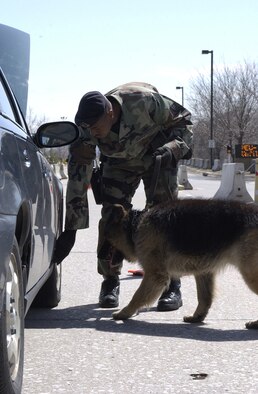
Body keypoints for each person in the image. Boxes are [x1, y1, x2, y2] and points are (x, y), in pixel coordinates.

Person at [53, 82, 193, 311]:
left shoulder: (144, 101)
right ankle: (110, 281)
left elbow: (185, 120)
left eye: (97, 128)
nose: (93, 133)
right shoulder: (85, 130)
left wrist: (173, 149)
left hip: (157, 155)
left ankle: (172, 284)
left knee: (165, 218)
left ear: (110, 112)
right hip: (118, 163)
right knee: (111, 218)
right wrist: (71, 229)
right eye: (89, 129)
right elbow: (79, 176)